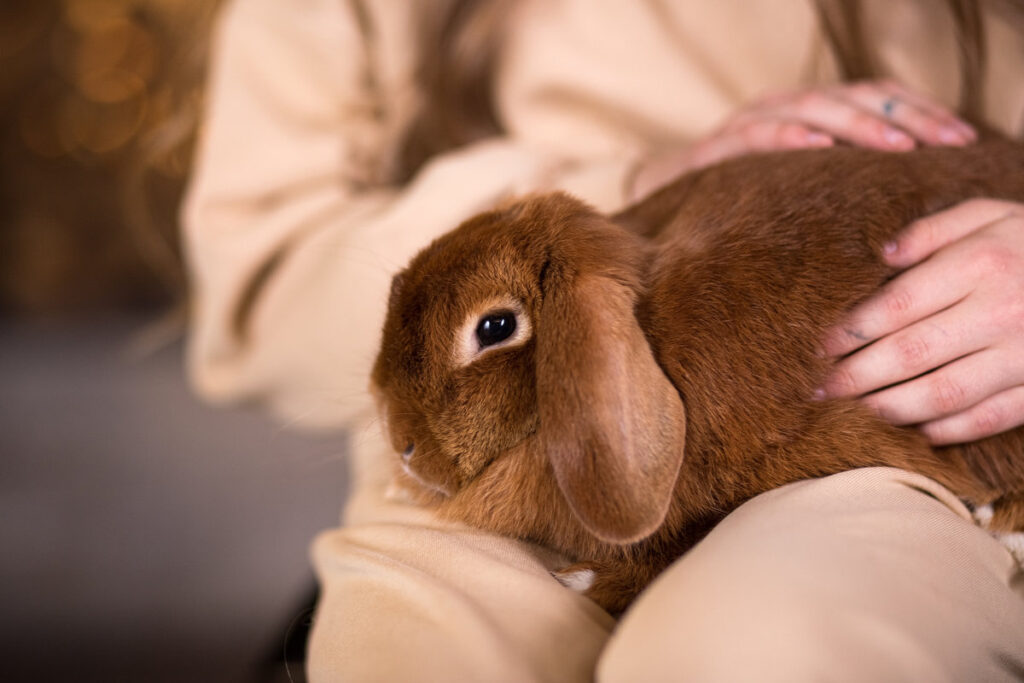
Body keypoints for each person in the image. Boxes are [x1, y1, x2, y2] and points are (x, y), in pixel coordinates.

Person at [182, 0, 1024, 680]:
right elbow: (260, 286)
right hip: (507, 449)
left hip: (889, 429)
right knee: (413, 641)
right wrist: (622, 200)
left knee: (753, 646)